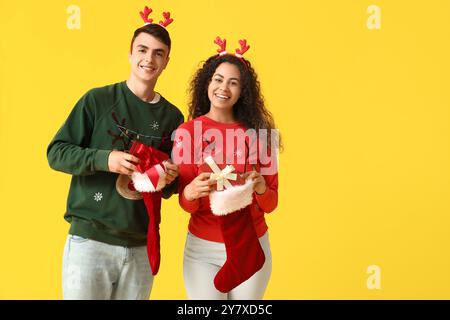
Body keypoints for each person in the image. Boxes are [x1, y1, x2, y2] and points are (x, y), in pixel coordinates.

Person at [47, 6, 183, 300]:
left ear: (167, 61)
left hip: (141, 246)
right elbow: (56, 153)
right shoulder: (98, 100)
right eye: (143, 50)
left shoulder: (173, 117)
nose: (149, 59)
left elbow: (171, 188)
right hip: (90, 241)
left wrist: (170, 177)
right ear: (130, 53)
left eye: (158, 53)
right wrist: (104, 159)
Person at [173, 37, 281, 299]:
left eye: (234, 82)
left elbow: (271, 204)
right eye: (218, 79)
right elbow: (186, 204)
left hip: (251, 245)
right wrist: (190, 192)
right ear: (207, 83)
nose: (224, 87)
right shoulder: (187, 133)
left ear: (243, 91)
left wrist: (261, 187)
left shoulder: (260, 135)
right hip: (202, 250)